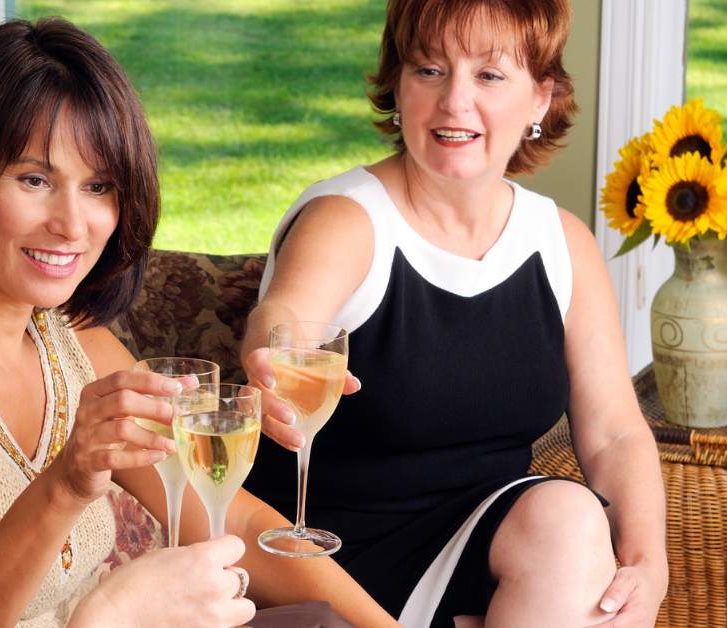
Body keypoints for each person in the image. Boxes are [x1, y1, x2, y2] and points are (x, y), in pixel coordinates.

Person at [0, 17, 397, 628]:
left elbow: (236, 523)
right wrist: (65, 482)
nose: (72, 224)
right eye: (35, 179)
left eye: (99, 187)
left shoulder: (71, 343)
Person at [241, 0, 668, 626]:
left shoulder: (562, 242)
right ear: (398, 85)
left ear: (540, 100)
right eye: (429, 70)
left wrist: (649, 562)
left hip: (485, 548)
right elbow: (286, 315)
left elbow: (616, 433)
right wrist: (270, 354)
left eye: (489, 76)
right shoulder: (349, 219)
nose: (454, 102)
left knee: (572, 519)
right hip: (326, 558)